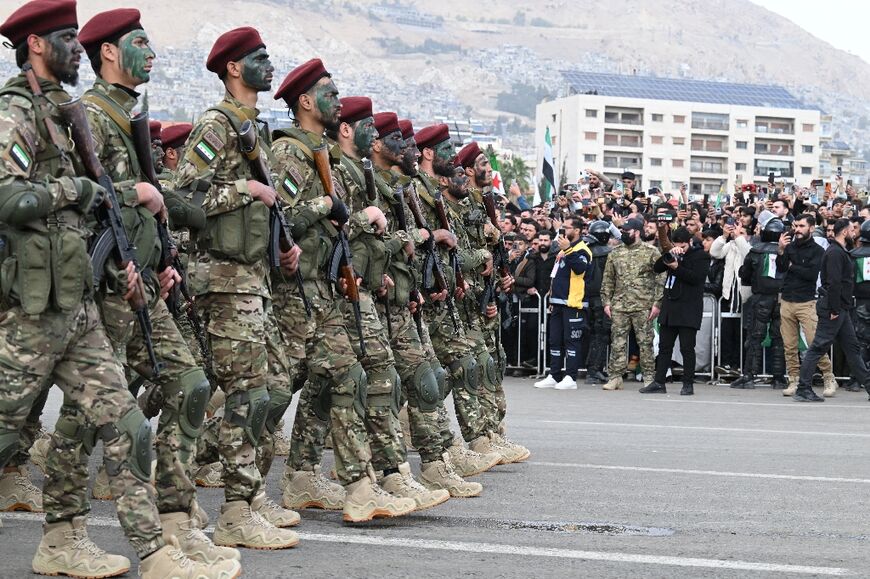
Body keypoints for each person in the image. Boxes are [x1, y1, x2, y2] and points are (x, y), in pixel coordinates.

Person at [0, 2, 238, 577]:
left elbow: (94, 215)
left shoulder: (61, 113)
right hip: (30, 308)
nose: (75, 48)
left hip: (78, 300)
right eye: (64, 38)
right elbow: (7, 196)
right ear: (35, 44)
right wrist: (77, 189)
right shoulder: (16, 111)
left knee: (127, 425)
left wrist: (118, 264)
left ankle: (149, 553)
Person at [268, 58, 415, 523]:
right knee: (269, 393)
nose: (338, 101)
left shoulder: (320, 154)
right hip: (293, 292)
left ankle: (359, 488)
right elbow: (283, 218)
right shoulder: (290, 153)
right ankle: (235, 486)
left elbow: (330, 223)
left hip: (324, 290)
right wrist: (327, 203)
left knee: (349, 379)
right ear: (306, 102)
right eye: (329, 94)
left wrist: (349, 218)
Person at [173, 26, 301, 546]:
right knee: (247, 394)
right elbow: (181, 195)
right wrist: (243, 188)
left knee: (265, 390)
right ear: (232, 68)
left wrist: (283, 245)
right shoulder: (216, 125)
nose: (269, 66)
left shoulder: (257, 130)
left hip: (254, 278)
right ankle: (233, 510)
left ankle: (240, 498)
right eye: (258, 59)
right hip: (223, 281)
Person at [794, 219, 870, 402]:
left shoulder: (839, 251)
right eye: (852, 230)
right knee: (818, 347)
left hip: (840, 307)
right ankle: (803, 388)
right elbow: (834, 282)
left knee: (852, 348)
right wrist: (835, 308)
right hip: (833, 307)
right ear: (844, 232)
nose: (854, 233)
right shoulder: (836, 252)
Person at [640, 227, 710, 395]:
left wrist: (678, 266)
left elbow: (696, 278)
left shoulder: (700, 256)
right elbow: (657, 268)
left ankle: (687, 384)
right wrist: (669, 253)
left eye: (683, 246)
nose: (681, 249)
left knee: (687, 348)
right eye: (678, 245)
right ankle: (659, 382)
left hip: (688, 308)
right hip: (670, 307)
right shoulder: (672, 253)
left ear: (690, 243)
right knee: (665, 348)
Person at [776, 214, 837, 397]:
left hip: (806, 302)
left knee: (814, 342)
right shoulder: (789, 246)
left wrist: (792, 266)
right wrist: (781, 250)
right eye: (796, 226)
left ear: (811, 228)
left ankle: (828, 377)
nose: (797, 229)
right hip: (786, 300)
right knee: (789, 345)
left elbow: (811, 274)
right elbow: (780, 268)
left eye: (802, 226)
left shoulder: (818, 250)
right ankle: (793, 379)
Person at [600, 217, 663, 391]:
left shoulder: (651, 252)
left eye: (627, 231)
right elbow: (608, 279)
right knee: (617, 342)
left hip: (643, 305)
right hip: (619, 305)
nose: (623, 234)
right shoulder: (615, 252)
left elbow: (660, 278)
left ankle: (649, 377)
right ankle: (616, 377)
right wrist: (606, 301)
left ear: (636, 232)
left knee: (645, 342)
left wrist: (657, 303)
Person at [534, 217, 592, 390]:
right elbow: (555, 275)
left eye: (567, 227)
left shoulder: (582, 250)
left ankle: (571, 377)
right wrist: (552, 297)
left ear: (577, 230)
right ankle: (554, 374)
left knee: (571, 341)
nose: (563, 231)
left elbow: (580, 269)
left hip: (573, 303)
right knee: (555, 340)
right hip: (557, 302)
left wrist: (568, 250)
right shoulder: (563, 250)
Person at [732, 218, 788, 389]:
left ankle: (749, 375)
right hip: (781, 298)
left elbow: (745, 274)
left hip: (761, 297)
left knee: (755, 337)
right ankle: (778, 378)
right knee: (779, 338)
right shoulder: (787, 251)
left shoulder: (756, 251)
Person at [582, 220, 614, 384]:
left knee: (596, 334)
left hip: (589, 297)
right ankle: (594, 369)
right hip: (602, 299)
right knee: (601, 334)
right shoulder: (607, 253)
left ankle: (594, 368)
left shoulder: (584, 249)